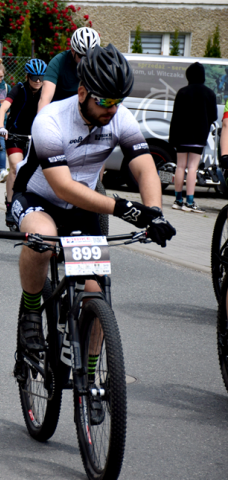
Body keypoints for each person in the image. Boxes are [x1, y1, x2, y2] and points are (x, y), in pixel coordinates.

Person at [10, 44, 175, 356]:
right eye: (106, 101)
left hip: (82, 207)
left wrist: (154, 212)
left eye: (118, 101)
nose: (112, 109)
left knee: (95, 292)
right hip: (39, 197)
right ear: (83, 92)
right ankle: (31, 314)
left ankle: (92, 389)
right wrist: (122, 207)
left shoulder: (119, 118)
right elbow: (61, 187)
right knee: (42, 239)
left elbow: (144, 167)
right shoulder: (50, 121)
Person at [0, 58, 47, 225]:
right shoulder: (19, 89)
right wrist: (1, 127)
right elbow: (3, 108)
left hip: (35, 136)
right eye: (34, 77)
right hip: (15, 135)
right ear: (27, 76)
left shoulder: (45, 92)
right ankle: (10, 205)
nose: (38, 81)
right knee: (16, 168)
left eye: (41, 77)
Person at [169, 62, 217, 213]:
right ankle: (190, 202)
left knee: (180, 166)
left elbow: (175, 117)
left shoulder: (182, 92)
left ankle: (177, 200)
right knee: (192, 168)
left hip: (182, 136)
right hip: (199, 136)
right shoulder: (210, 93)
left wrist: (172, 138)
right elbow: (214, 116)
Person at [38, 27, 100, 111]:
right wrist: (42, 120)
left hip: (86, 110)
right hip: (60, 110)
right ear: (73, 51)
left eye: (90, 56)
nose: (86, 60)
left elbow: (113, 95)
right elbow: (45, 98)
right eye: (81, 56)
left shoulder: (100, 64)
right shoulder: (58, 62)